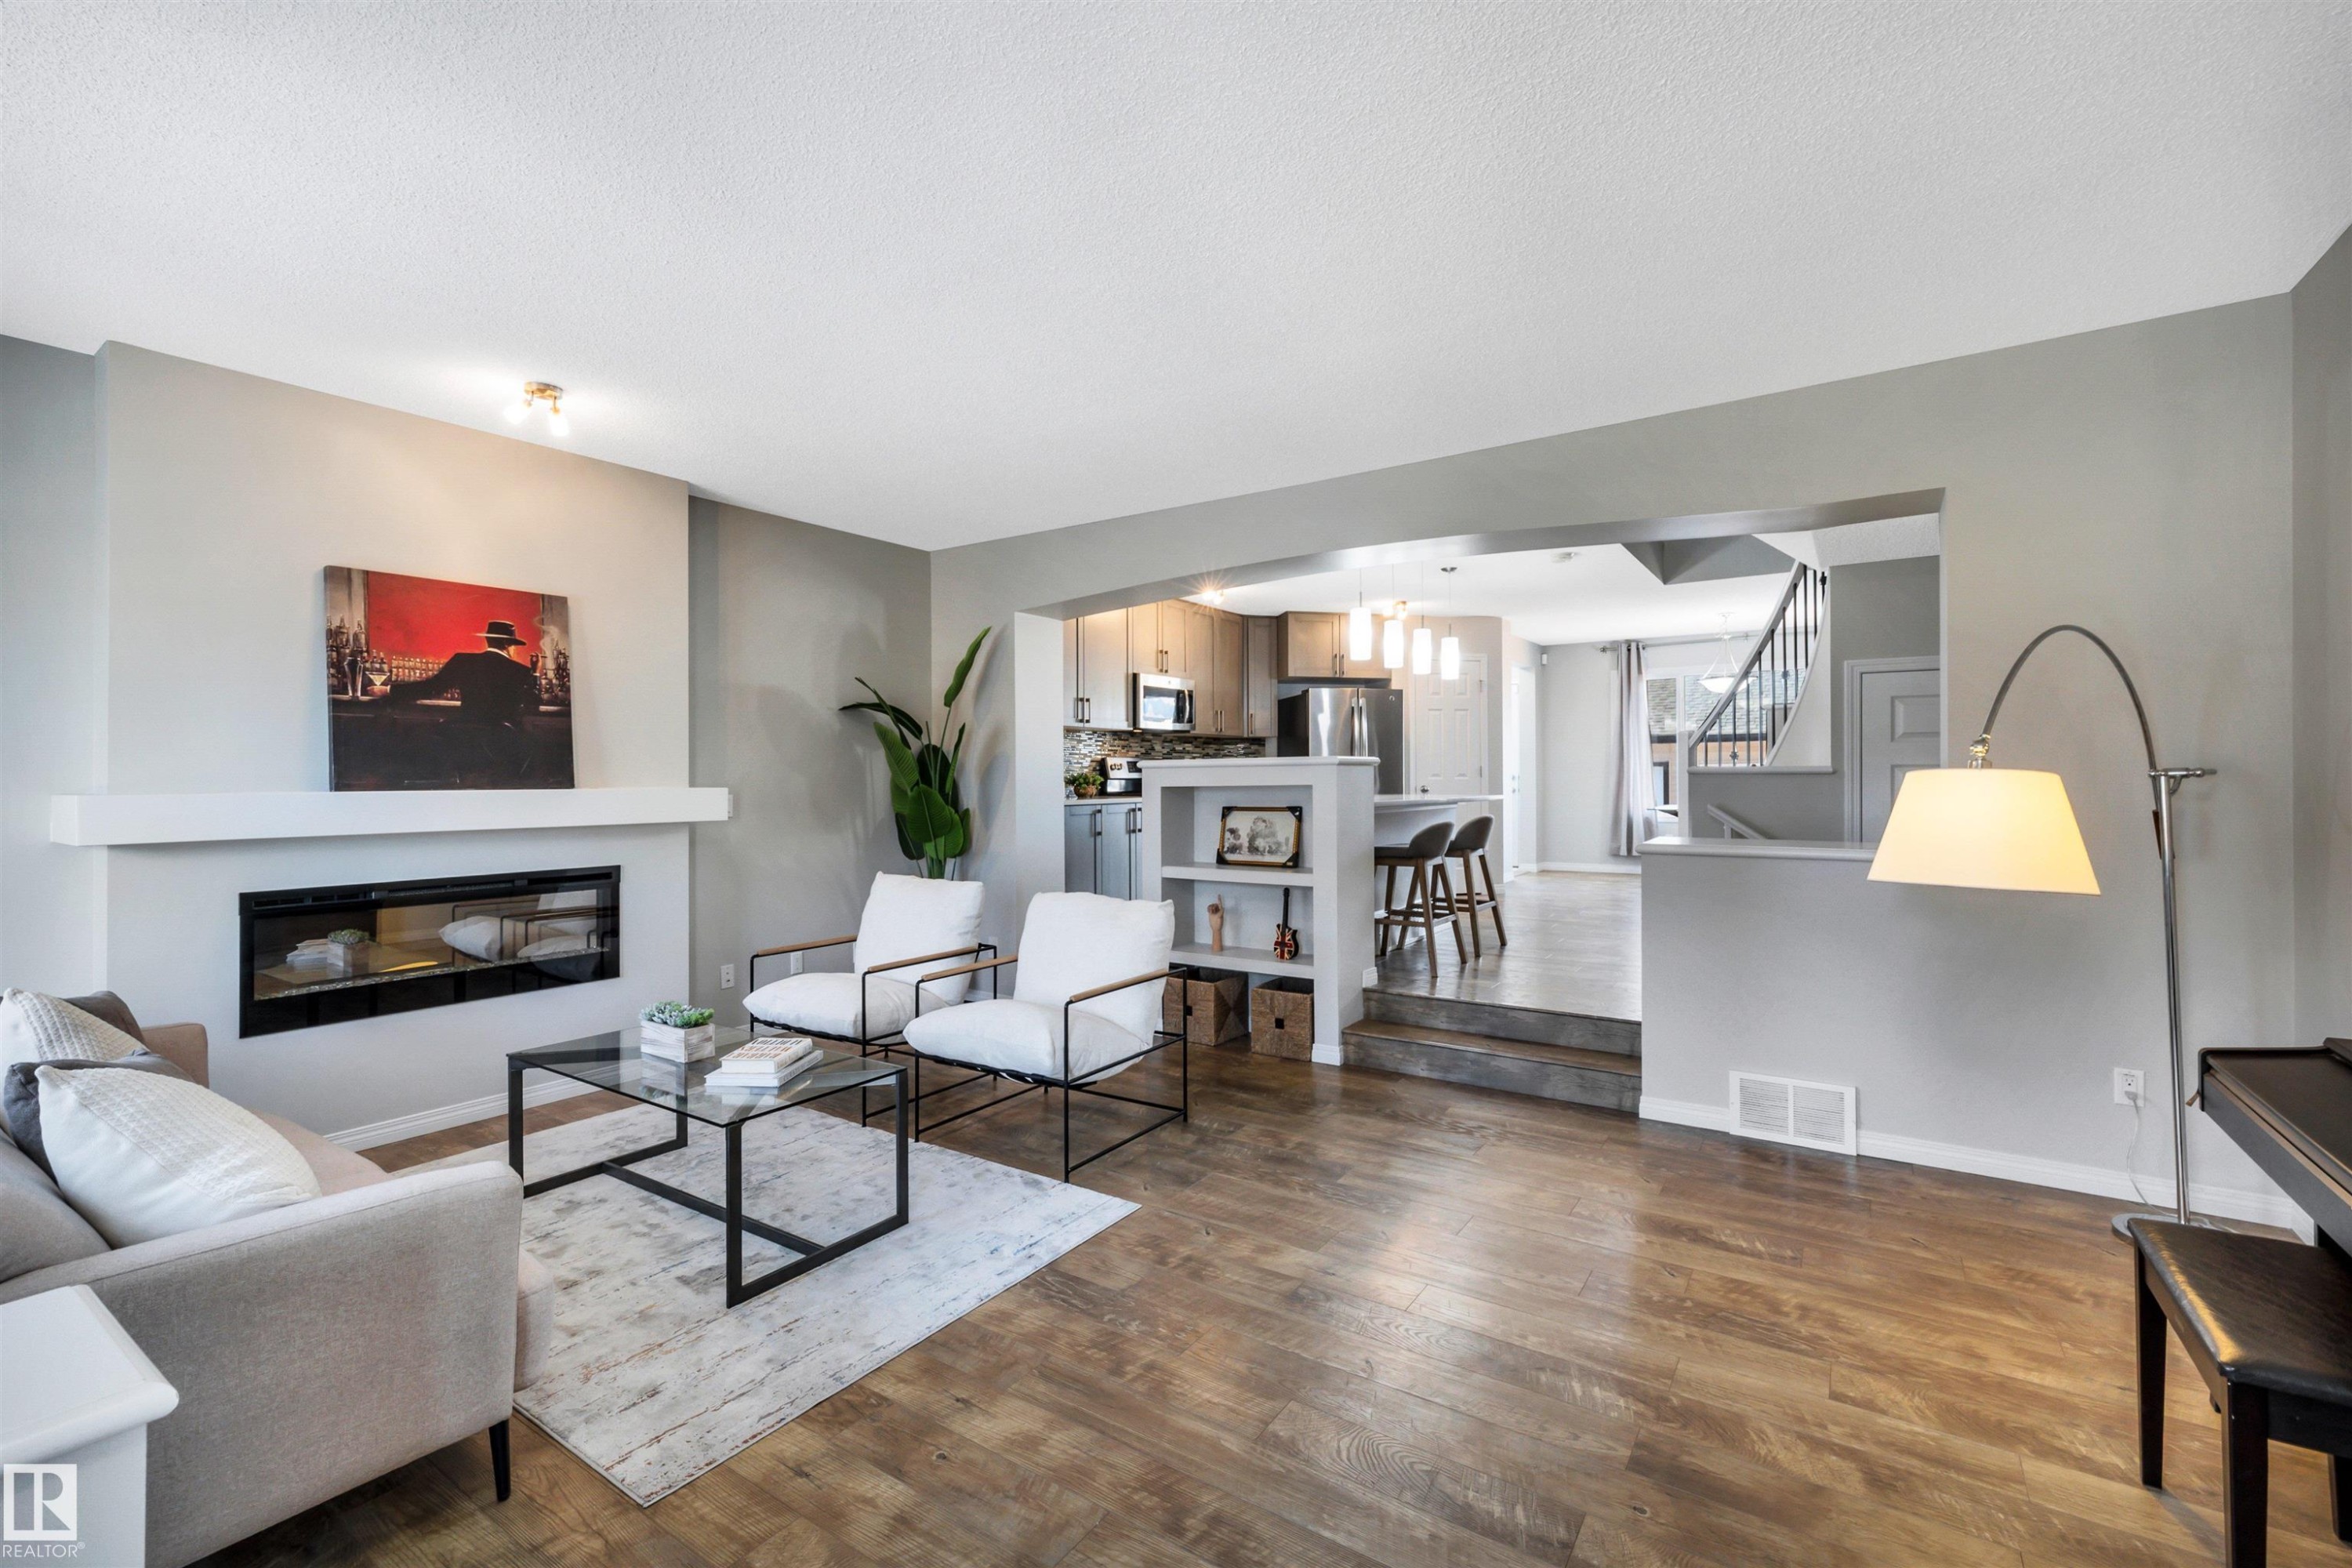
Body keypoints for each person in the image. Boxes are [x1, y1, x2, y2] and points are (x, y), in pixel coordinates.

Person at [386, 620, 539, 720]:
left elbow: (431, 688)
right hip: (503, 742)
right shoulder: (521, 671)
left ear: (488, 640)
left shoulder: (463, 661)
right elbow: (533, 704)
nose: (514, 649)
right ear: (507, 644)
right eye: (513, 645)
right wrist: (535, 673)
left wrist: (389, 691)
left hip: (468, 737)